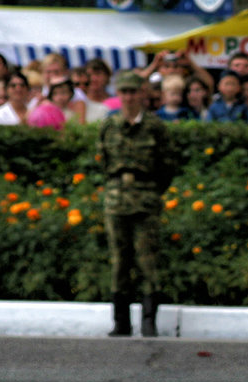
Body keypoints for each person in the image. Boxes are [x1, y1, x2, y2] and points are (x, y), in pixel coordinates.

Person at [97, 71, 177, 338]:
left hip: (146, 198)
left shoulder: (155, 127)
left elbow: (167, 166)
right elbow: (103, 163)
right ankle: (120, 322)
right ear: (118, 95)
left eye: (134, 92)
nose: (129, 97)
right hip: (116, 198)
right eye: (124, 92)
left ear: (142, 93)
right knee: (120, 260)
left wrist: (152, 190)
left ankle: (148, 321)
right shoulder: (109, 126)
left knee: (147, 259)